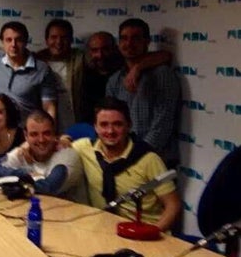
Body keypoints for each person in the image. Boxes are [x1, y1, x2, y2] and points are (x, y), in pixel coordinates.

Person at [72, 97, 181, 231]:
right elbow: (50, 145)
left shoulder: (148, 159)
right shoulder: (84, 148)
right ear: (95, 127)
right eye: (104, 125)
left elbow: (173, 205)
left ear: (129, 125)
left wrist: (152, 232)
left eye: (117, 124)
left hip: (147, 231)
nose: (110, 131)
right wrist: (64, 138)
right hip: (105, 230)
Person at [106, 18, 180, 167]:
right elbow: (110, 121)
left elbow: (163, 123)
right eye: (124, 38)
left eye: (135, 38)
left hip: (156, 161)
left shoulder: (162, 75)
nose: (129, 44)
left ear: (147, 41)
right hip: (123, 160)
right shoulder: (115, 80)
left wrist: (137, 156)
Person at [0, 110, 88, 204]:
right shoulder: (23, 152)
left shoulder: (67, 156)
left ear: (55, 134)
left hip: (71, 219)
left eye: (46, 133)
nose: (41, 140)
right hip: (32, 213)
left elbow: (48, 188)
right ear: (26, 136)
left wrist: (11, 182)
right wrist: (21, 174)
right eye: (34, 134)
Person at [34, 19, 85, 133]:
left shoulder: (80, 58)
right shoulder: (36, 60)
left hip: (74, 125)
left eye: (64, 37)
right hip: (44, 128)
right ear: (46, 40)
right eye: (54, 37)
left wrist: (135, 67)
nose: (59, 42)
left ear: (71, 40)